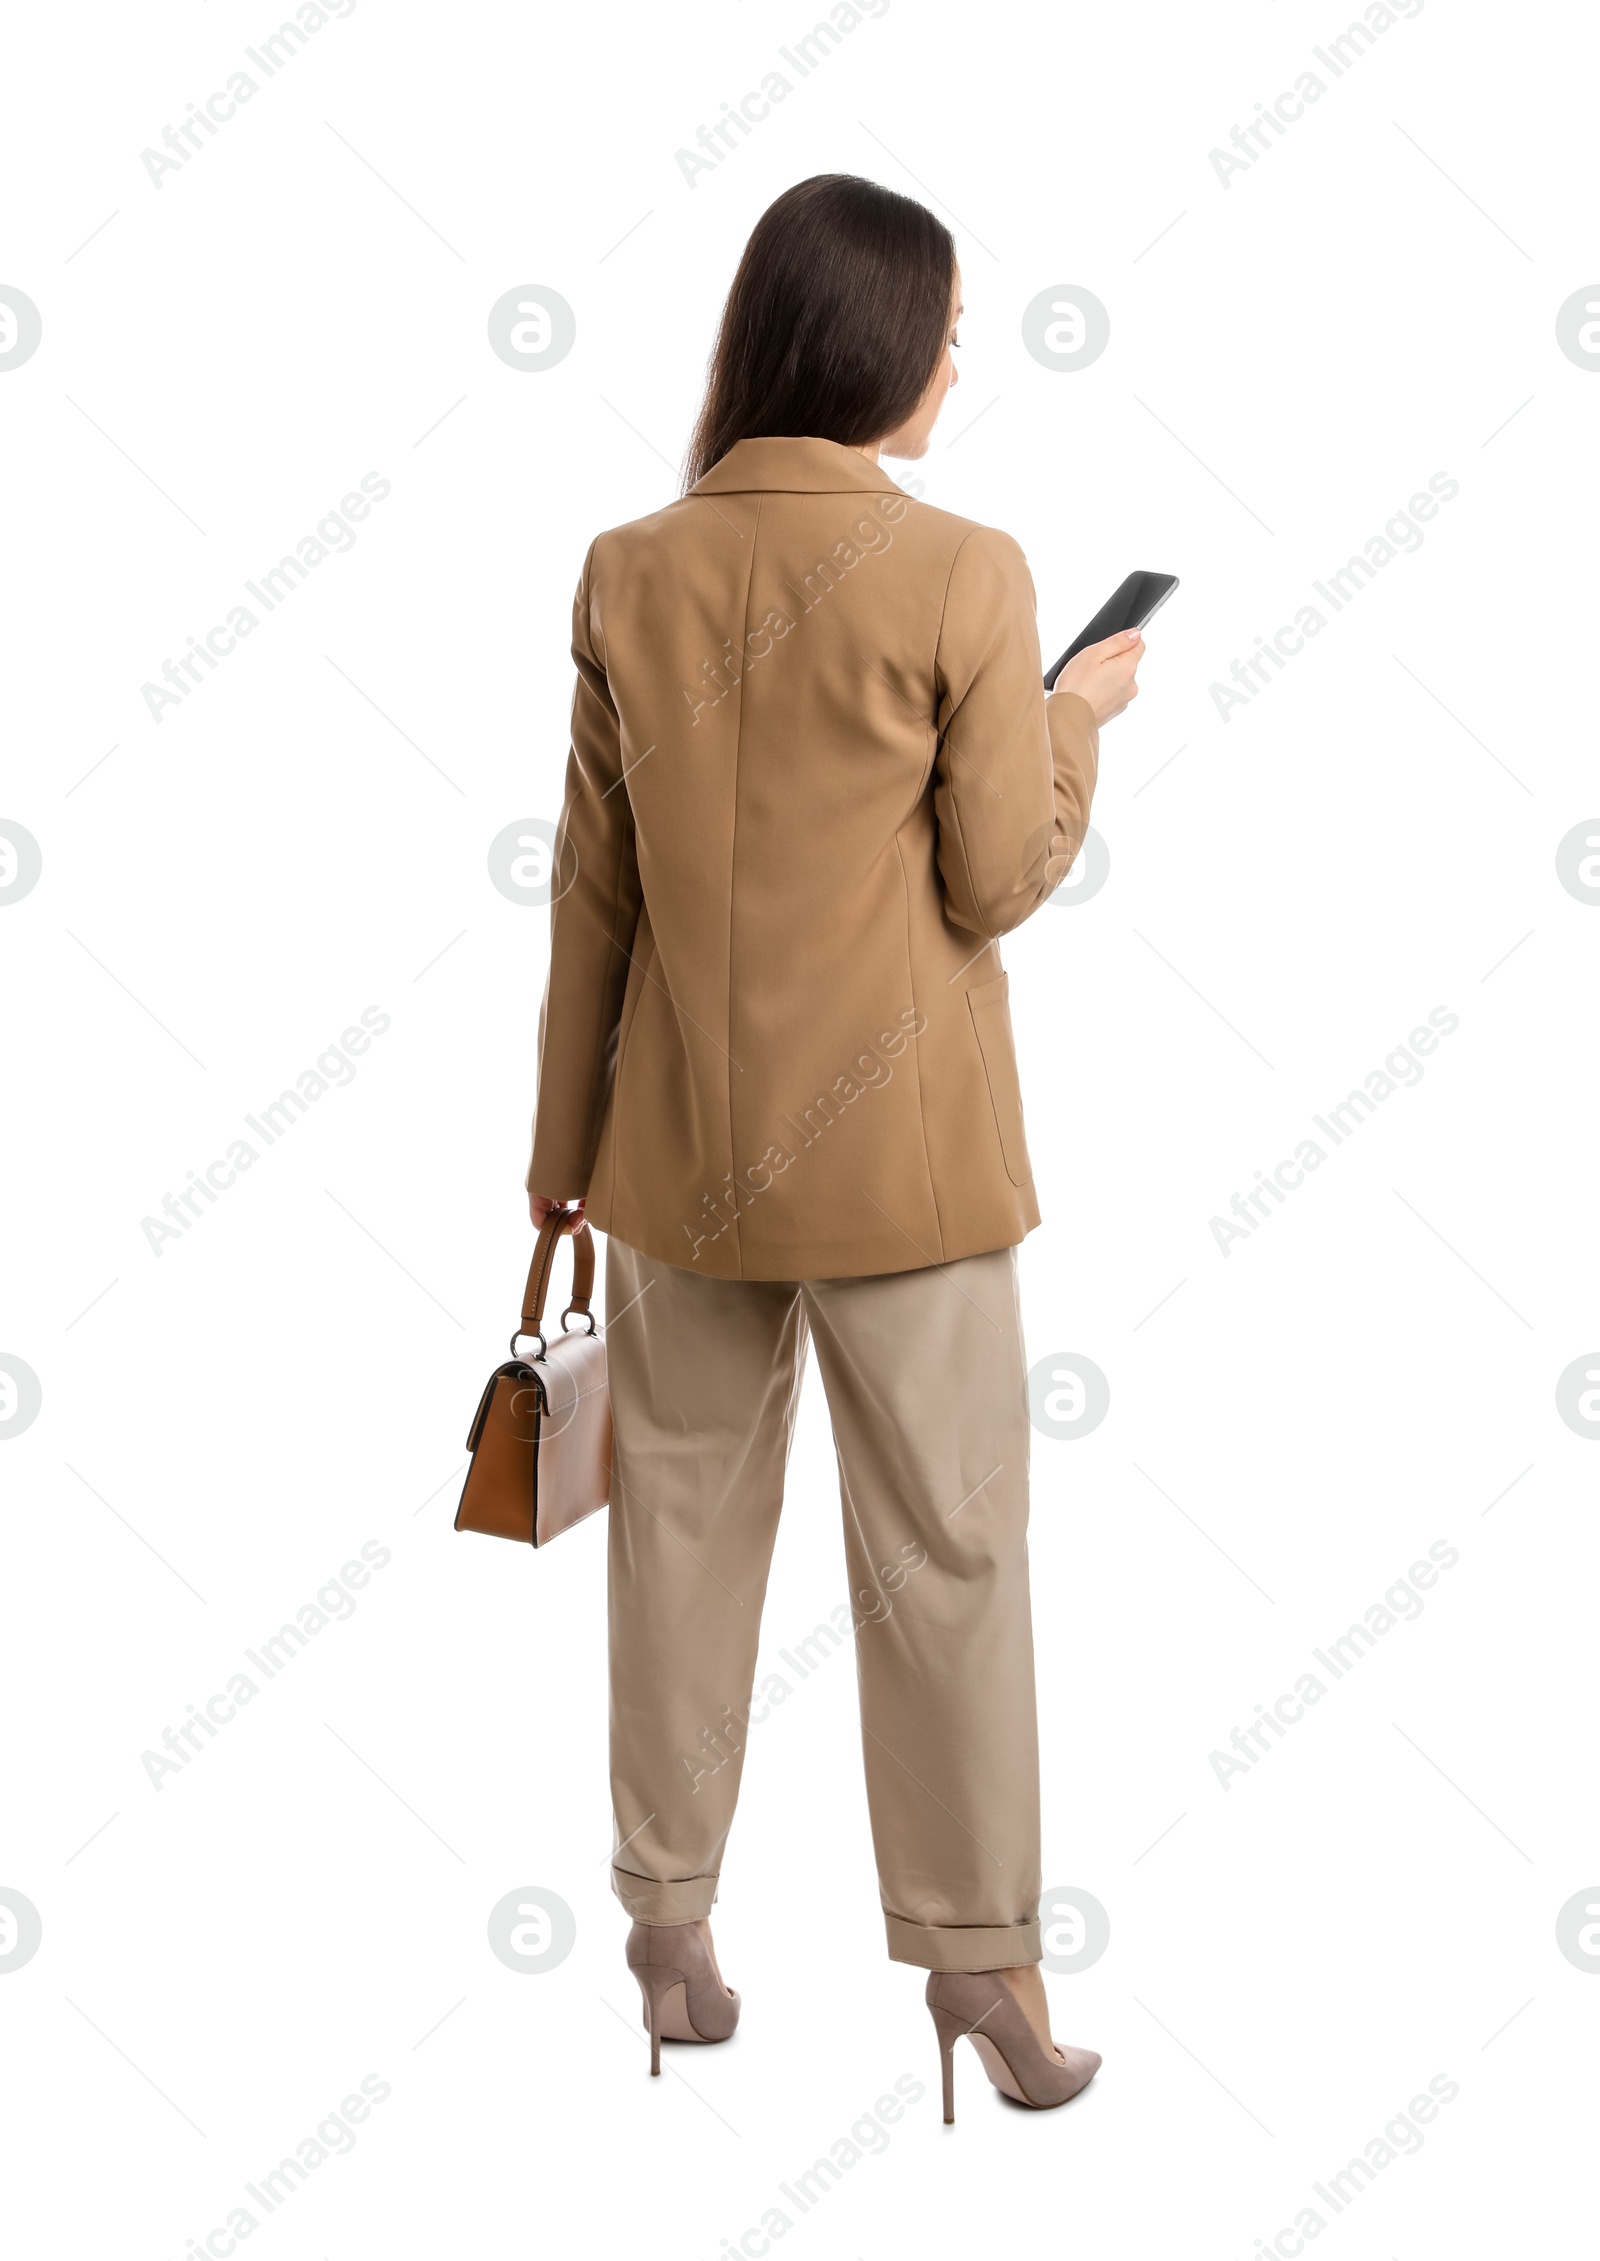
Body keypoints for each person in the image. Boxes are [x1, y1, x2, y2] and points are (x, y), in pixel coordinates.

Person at [525, 173, 1143, 2119]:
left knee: (678, 1549)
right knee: (946, 1561)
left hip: (675, 1162)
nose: (958, 360)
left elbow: (589, 909)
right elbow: (991, 873)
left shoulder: (627, 567)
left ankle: (665, 1928)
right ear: (873, 341)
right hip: (908, 1179)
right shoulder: (964, 572)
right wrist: (1075, 720)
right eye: (947, 328)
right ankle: (981, 1972)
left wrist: (557, 1159)